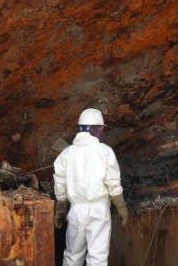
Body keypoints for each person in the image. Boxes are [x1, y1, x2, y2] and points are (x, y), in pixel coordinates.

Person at [53, 108, 128, 266]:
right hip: (99, 210)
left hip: (75, 211)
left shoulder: (66, 154)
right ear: (94, 129)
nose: (103, 132)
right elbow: (113, 183)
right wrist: (121, 207)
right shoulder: (105, 151)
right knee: (97, 257)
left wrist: (60, 209)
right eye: (101, 129)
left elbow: (59, 183)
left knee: (72, 255)